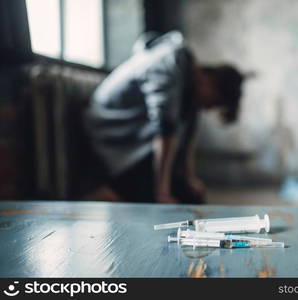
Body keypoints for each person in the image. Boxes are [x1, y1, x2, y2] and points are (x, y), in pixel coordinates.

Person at [83, 31, 244, 204]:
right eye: (213, 102)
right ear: (209, 80)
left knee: (191, 196)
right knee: (153, 199)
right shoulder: (170, 65)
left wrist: (190, 178)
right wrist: (161, 192)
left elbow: (189, 134)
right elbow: (165, 130)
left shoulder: (190, 86)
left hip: (139, 137)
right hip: (111, 129)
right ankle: (101, 193)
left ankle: (127, 191)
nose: (208, 108)